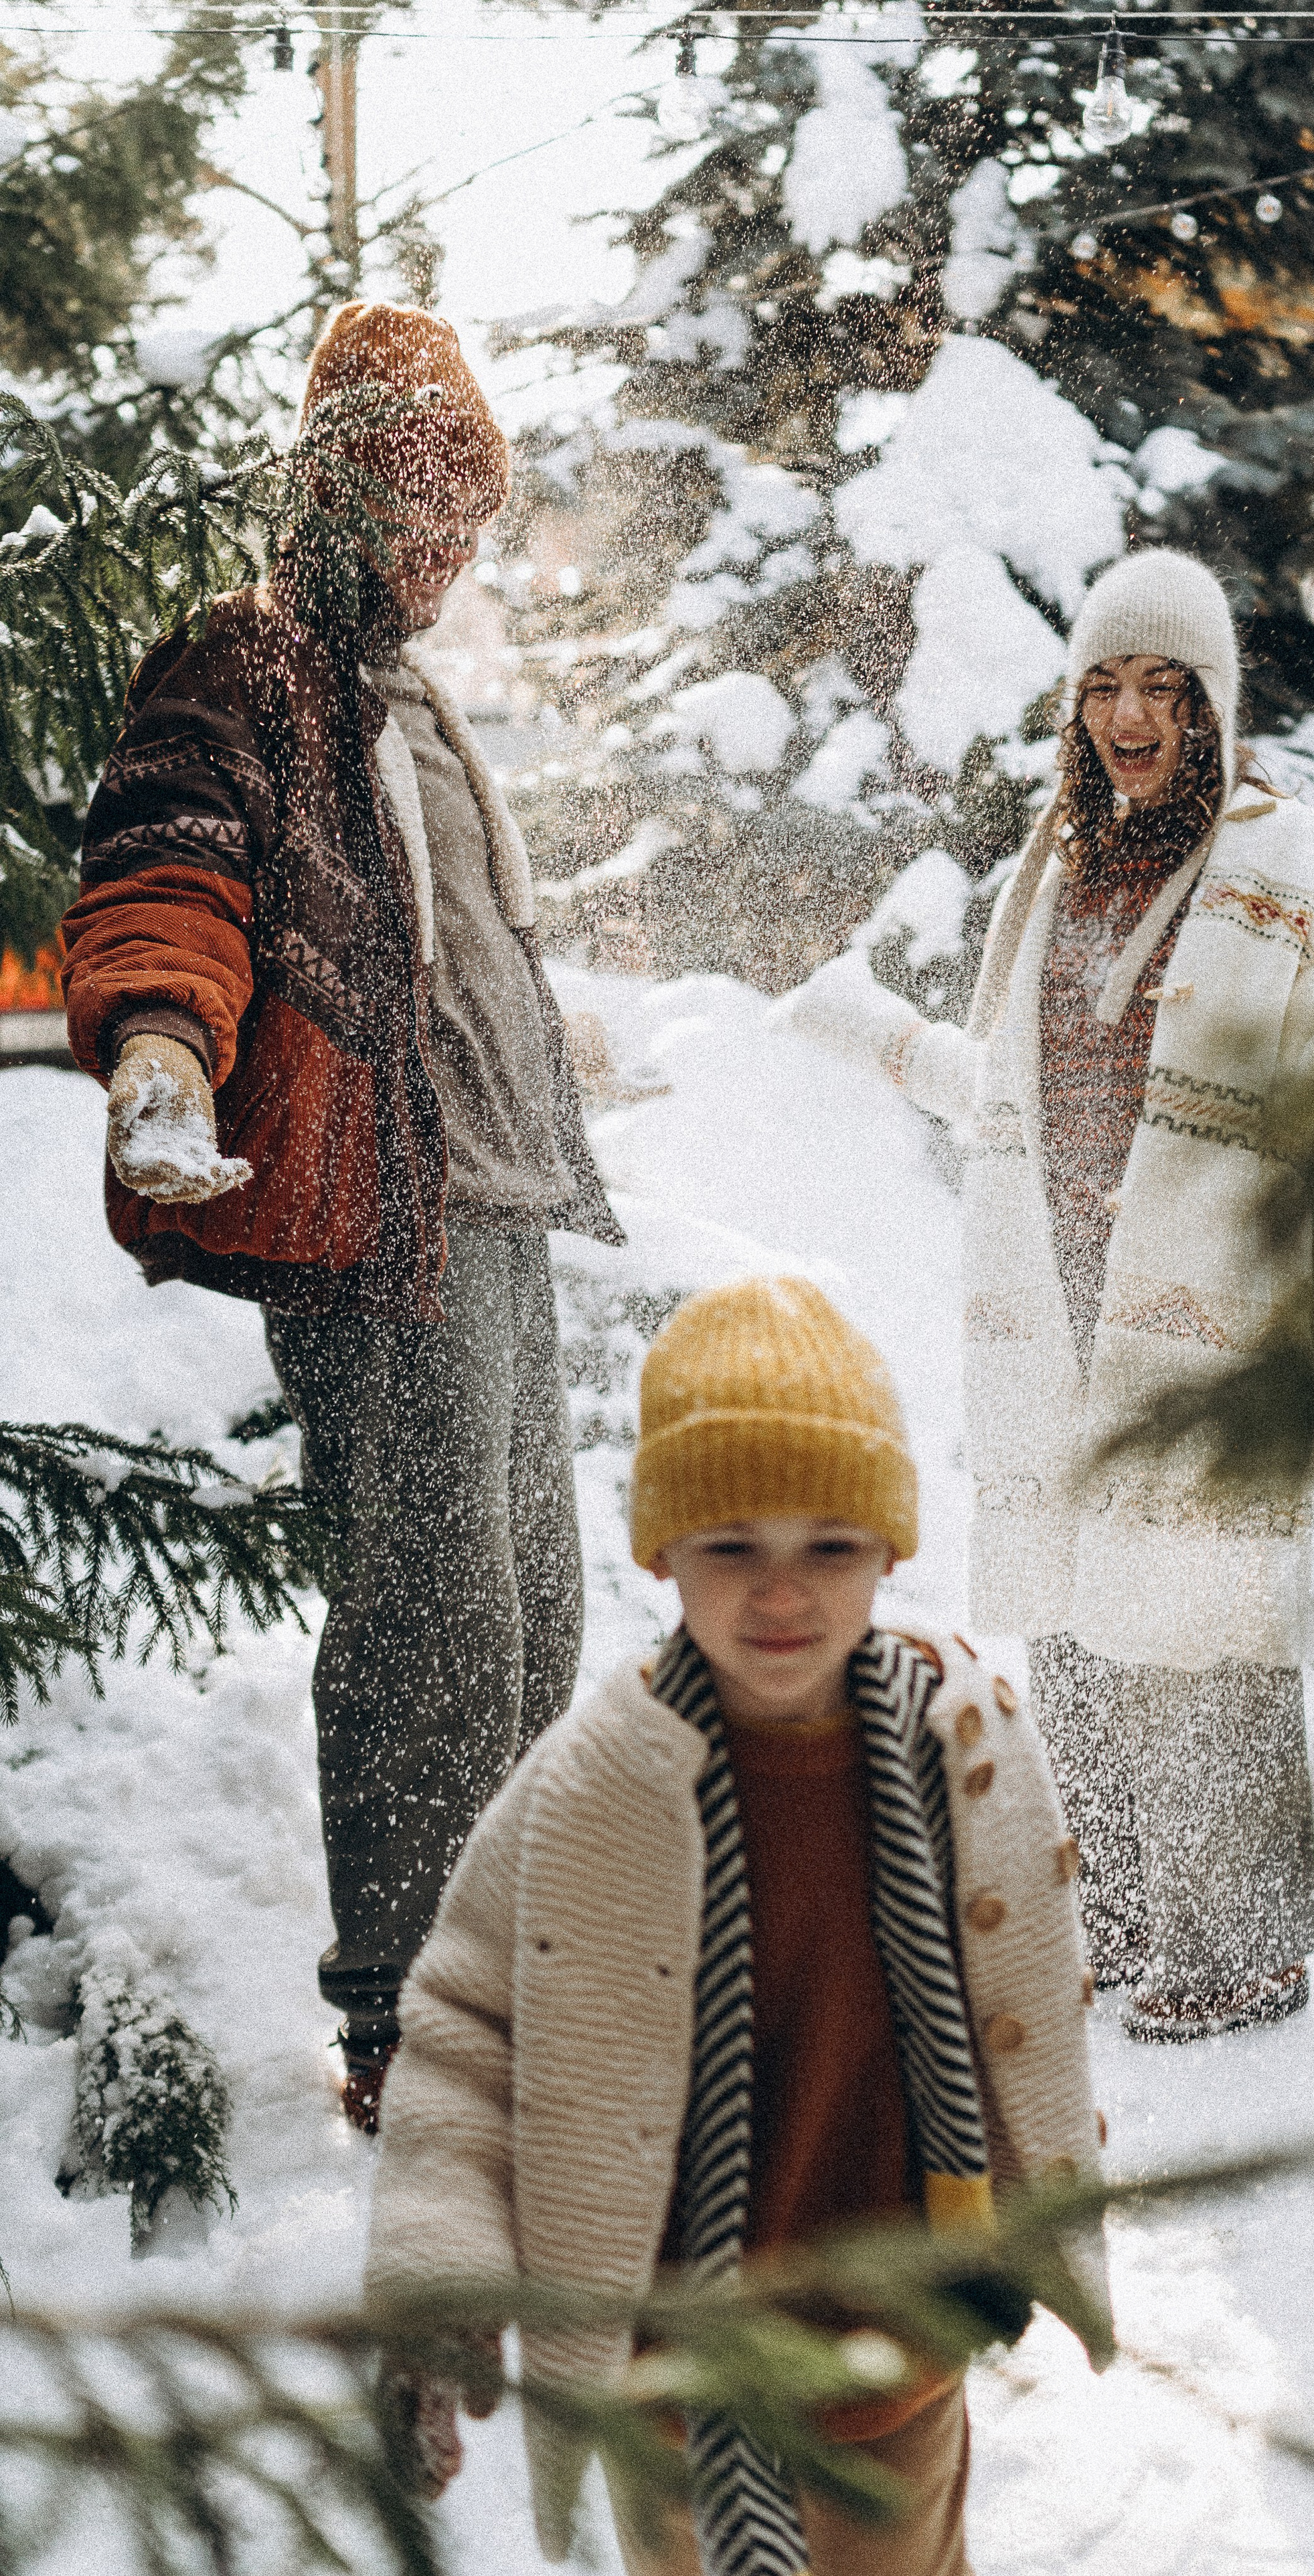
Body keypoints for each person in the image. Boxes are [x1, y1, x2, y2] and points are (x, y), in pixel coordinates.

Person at [784, 546, 1314, 2043]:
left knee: (1202, 1629)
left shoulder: (1281, 860)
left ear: (1210, 704)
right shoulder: (1053, 867)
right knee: (1072, 1624)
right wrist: (867, 1030)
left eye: (1164, 687)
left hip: (1194, 1302)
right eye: (1105, 686)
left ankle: (1243, 1946)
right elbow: (1007, 1096)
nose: (1132, 716)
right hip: (1049, 1302)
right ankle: (1121, 1911)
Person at [58, 303, 623, 2128]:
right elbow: (167, 860)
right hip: (377, 1226)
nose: (451, 545)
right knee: (430, 1623)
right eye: (422, 501)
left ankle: (504, 1971)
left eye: (472, 507)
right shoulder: (252, 660)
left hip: (493, 1207)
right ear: (346, 495)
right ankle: (409, 2016)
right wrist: (162, 1045)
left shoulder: (409, 694)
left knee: (532, 1621)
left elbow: (429, 939)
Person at [364, 1274, 1106, 2576]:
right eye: (730, 1547)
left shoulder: (964, 1747)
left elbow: (1024, 1988)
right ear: (661, 1553)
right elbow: (466, 2032)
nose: (781, 1594)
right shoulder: (592, 1782)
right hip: (665, 2363)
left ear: (891, 1552)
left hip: (896, 2346)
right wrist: (443, 2275)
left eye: (830, 1546)